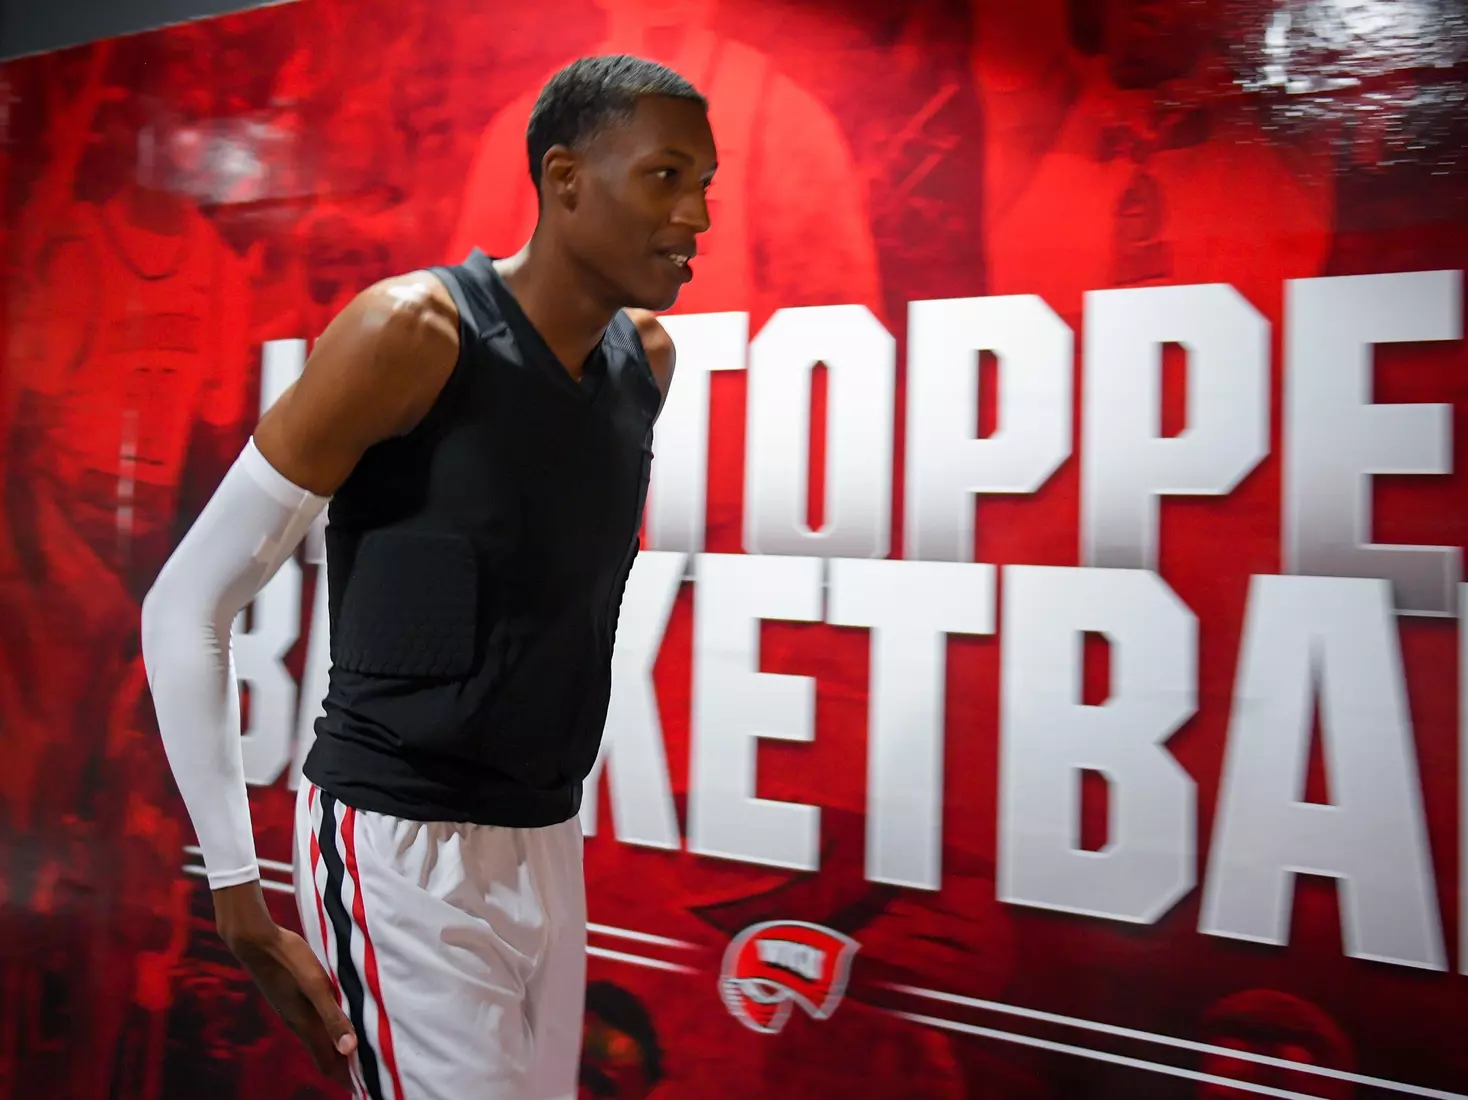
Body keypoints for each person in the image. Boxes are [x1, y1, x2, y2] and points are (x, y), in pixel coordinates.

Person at [140, 54, 716, 1099]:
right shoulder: (411, 332)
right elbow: (187, 603)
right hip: (397, 844)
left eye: (706, 185)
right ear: (566, 179)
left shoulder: (646, 363)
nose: (697, 216)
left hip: (546, 837)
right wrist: (235, 889)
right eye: (667, 177)